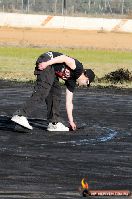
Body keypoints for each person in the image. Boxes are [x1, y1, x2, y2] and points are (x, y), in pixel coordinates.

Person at [11, 51, 95, 131]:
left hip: (52, 71)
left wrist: (71, 121)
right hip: (47, 60)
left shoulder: (72, 82)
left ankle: (54, 123)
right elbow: (64, 58)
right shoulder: (78, 68)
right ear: (85, 75)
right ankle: (20, 115)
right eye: (86, 82)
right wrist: (46, 63)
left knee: (56, 93)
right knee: (43, 90)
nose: (84, 84)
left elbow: (69, 102)